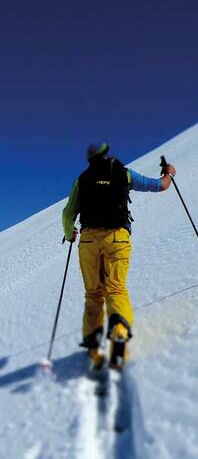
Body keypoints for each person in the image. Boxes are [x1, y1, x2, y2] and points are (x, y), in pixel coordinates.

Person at [62, 143, 176, 369]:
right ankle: (120, 330)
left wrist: (70, 233)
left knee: (93, 294)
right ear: (107, 154)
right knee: (116, 288)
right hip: (118, 238)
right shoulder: (124, 174)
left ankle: (94, 345)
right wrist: (169, 173)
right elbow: (160, 186)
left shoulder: (82, 180)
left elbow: (68, 213)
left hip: (88, 241)